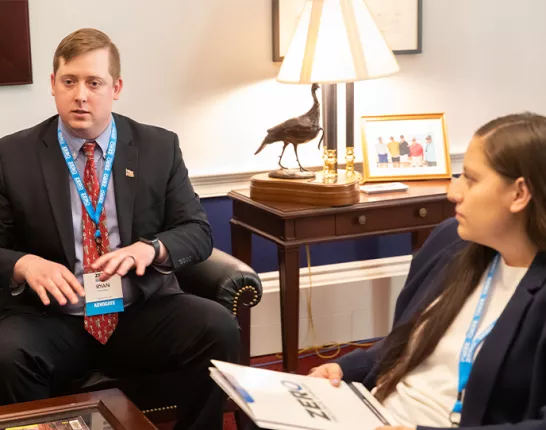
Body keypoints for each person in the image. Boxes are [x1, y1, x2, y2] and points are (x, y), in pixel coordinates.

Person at [0, 28, 239, 430]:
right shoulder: (12, 156)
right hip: (54, 318)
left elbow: (197, 231)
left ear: (116, 87)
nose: (81, 95)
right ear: (52, 86)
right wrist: (25, 264)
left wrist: (150, 249)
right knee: (6, 353)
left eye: (94, 83)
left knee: (217, 328)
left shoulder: (157, 147)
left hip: (138, 310)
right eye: (69, 81)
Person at [249, 112, 546, 430]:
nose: (453, 192)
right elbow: (406, 342)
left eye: (470, 179)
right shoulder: (452, 243)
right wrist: (342, 369)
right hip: (375, 413)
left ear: (519, 194)